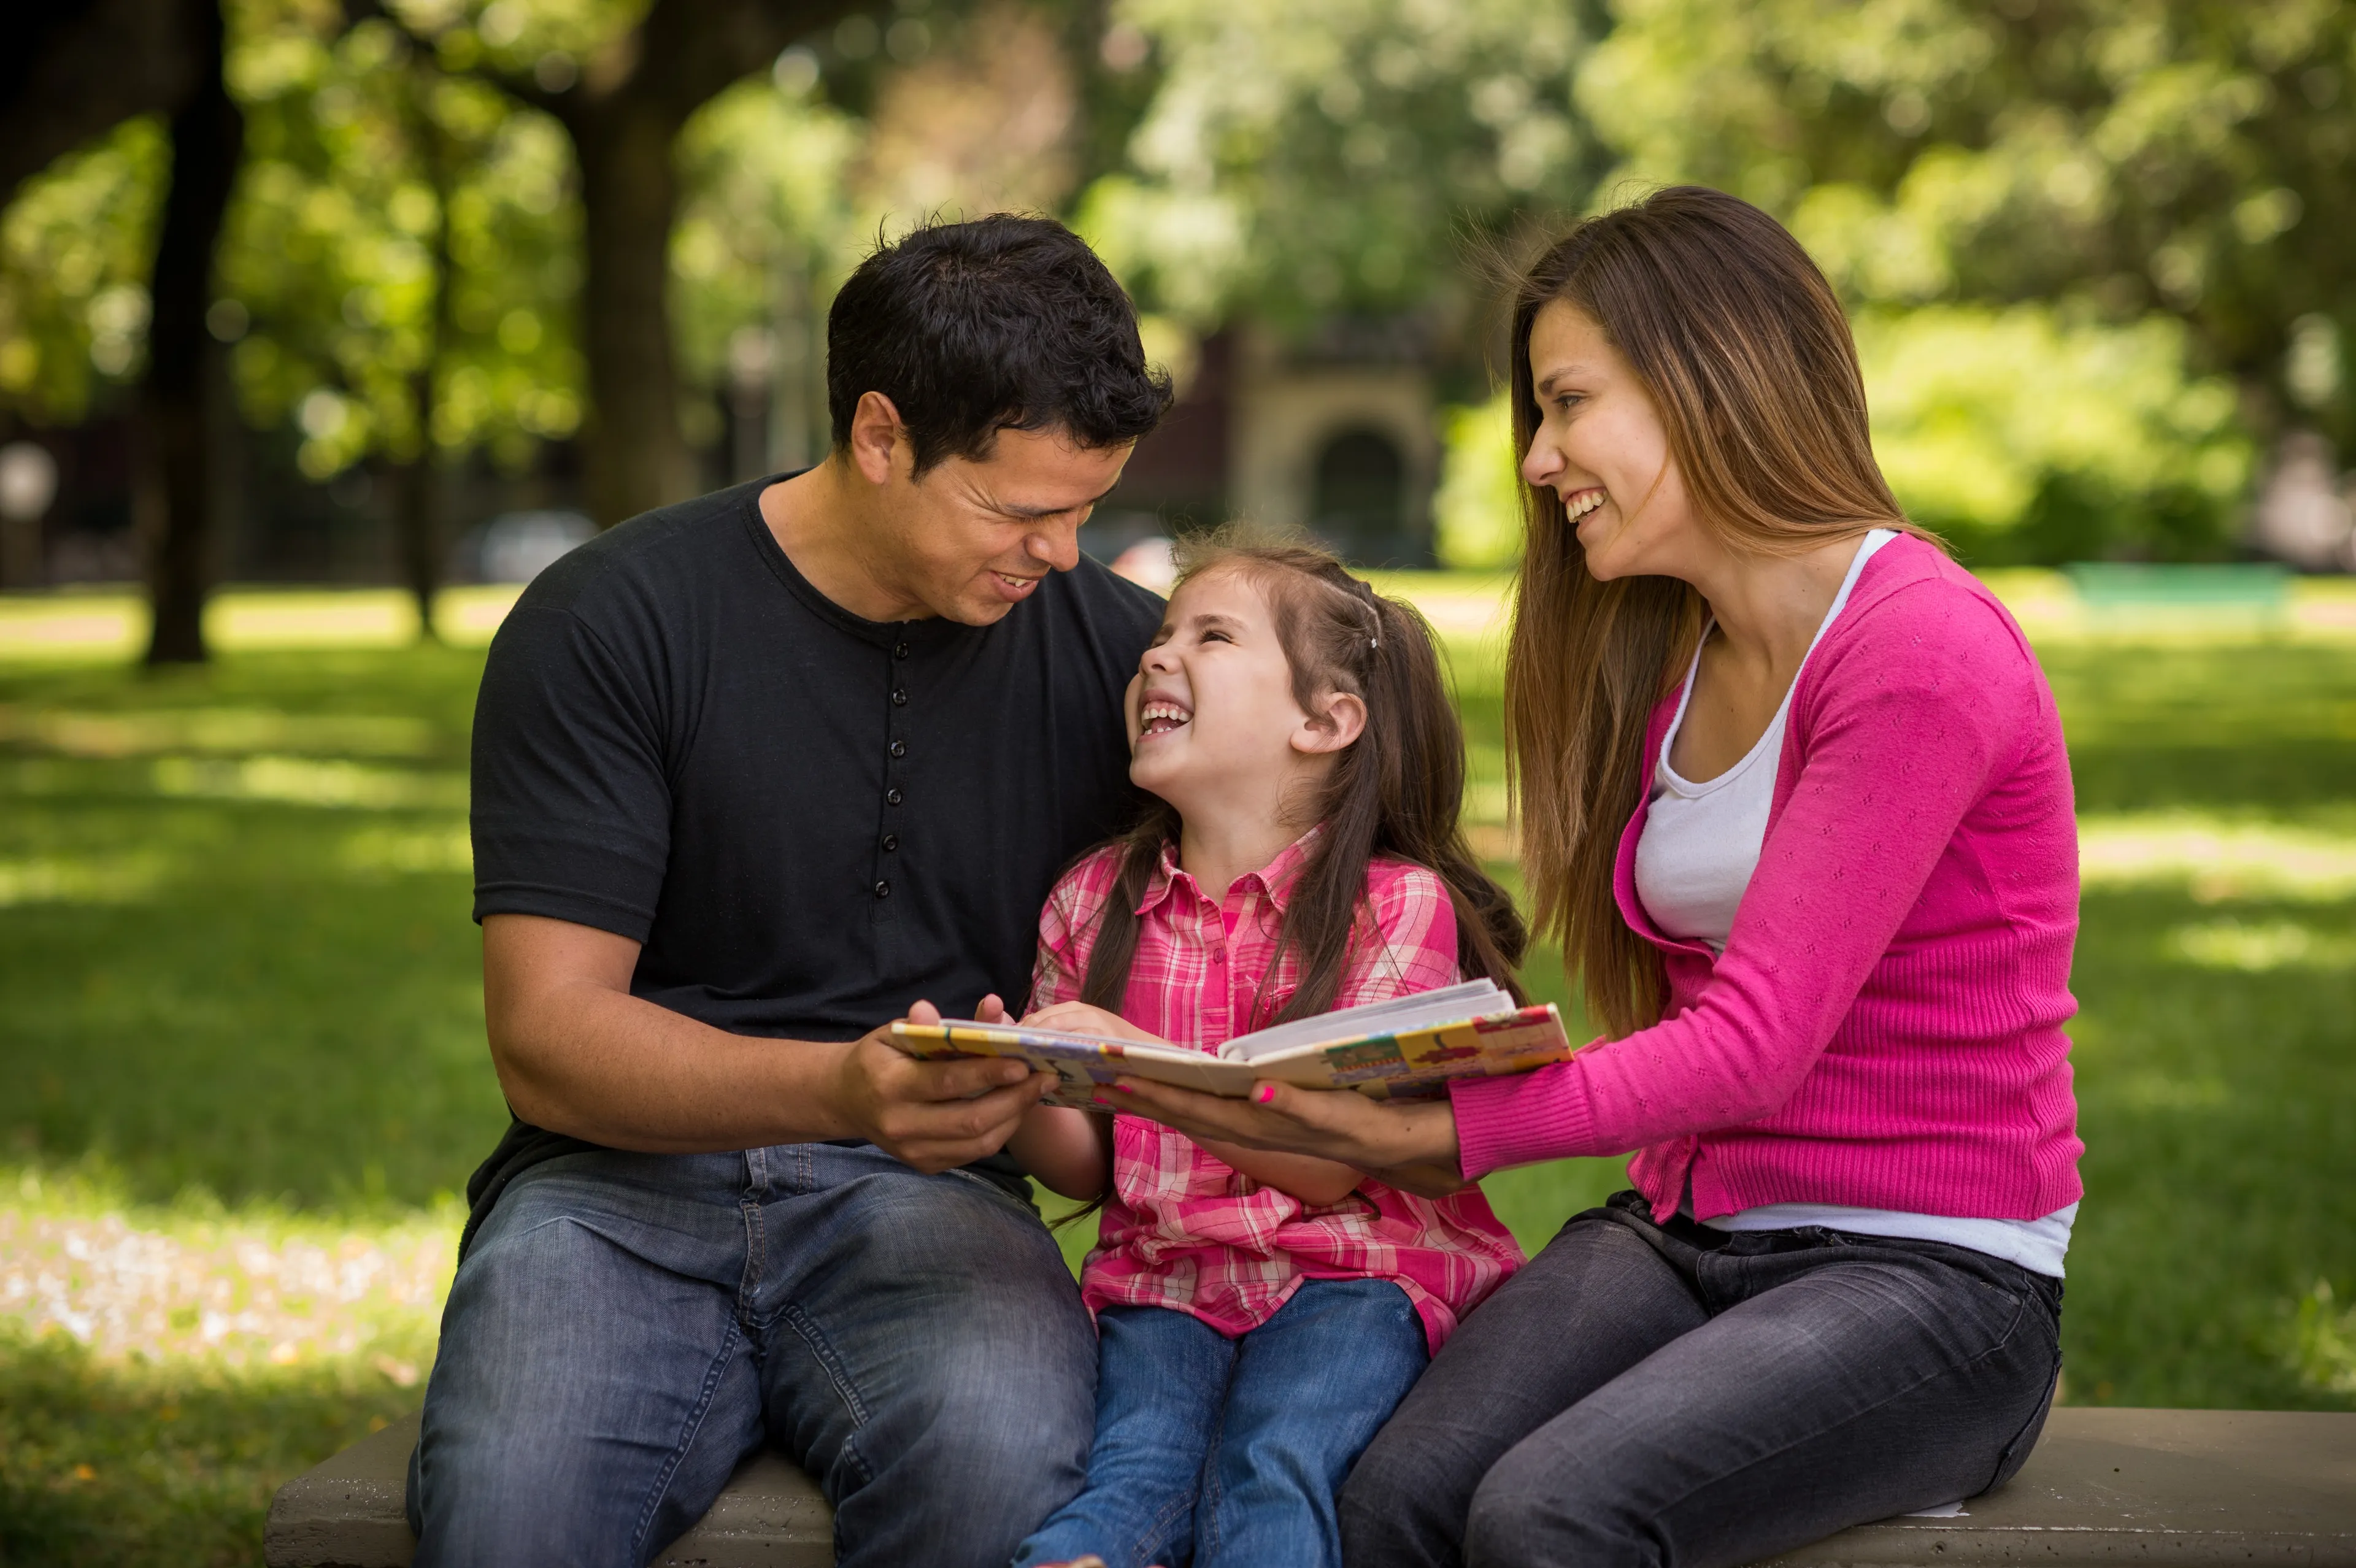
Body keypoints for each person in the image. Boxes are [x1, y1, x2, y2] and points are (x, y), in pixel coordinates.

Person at [1100, 186, 2084, 1568]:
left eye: (1569, 404)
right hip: (1691, 1230)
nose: (1540, 459)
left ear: (1709, 373)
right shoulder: (1671, 657)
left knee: (1552, 1512)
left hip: (1931, 1277)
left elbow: (1752, 1048)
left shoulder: (1920, 651)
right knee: (1393, 1495)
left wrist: (1436, 1138)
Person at [405, 215, 1173, 1568]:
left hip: (938, 1202)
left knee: (1001, 1489)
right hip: (608, 1198)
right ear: (880, 436)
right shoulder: (612, 621)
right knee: (511, 1518)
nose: (1060, 556)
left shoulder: (1124, 664)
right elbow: (548, 1044)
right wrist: (838, 1089)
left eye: (1088, 511)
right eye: (1020, 509)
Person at [1000, 542, 1529, 1568]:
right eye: (1158, 637)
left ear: (1325, 723)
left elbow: (1329, 1161)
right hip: (1164, 1285)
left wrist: (1132, 1057)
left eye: (1211, 635)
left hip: (1355, 1281)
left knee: (1272, 1470)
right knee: (1127, 1491)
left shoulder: (1391, 907)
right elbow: (1084, 1164)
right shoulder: (1092, 900)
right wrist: (1018, 1078)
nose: (1158, 658)